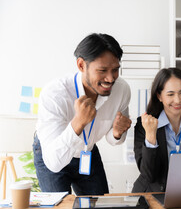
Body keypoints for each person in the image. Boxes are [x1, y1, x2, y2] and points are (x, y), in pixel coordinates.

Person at [33, 33, 132, 195]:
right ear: (81, 65)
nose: (110, 79)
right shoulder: (55, 94)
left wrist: (116, 133)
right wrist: (78, 123)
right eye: (102, 70)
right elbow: (54, 163)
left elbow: (114, 139)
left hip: (88, 151)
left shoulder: (121, 90)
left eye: (115, 70)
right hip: (54, 151)